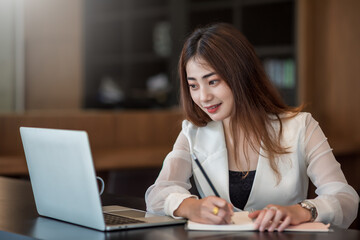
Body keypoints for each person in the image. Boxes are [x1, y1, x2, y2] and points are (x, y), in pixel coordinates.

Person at [145, 23, 359, 231]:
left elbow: (345, 198)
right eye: (193, 85)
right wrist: (192, 207)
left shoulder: (301, 126)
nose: (203, 97)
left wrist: (302, 211)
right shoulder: (193, 132)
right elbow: (157, 195)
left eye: (213, 82)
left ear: (241, 75)